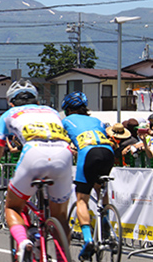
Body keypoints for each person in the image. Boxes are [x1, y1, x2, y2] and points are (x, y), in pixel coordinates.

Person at [0, 79, 72, 262]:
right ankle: (63, 258)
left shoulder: (8, 114)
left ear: (11, 102)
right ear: (37, 101)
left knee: (13, 207)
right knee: (60, 216)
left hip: (33, 153)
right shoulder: (53, 112)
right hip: (64, 153)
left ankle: (23, 243)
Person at [60, 91, 115, 260]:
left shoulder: (66, 121)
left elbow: (61, 142)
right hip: (108, 152)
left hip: (89, 153)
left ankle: (88, 240)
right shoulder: (96, 120)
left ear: (68, 109)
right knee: (100, 187)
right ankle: (105, 221)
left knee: (81, 199)